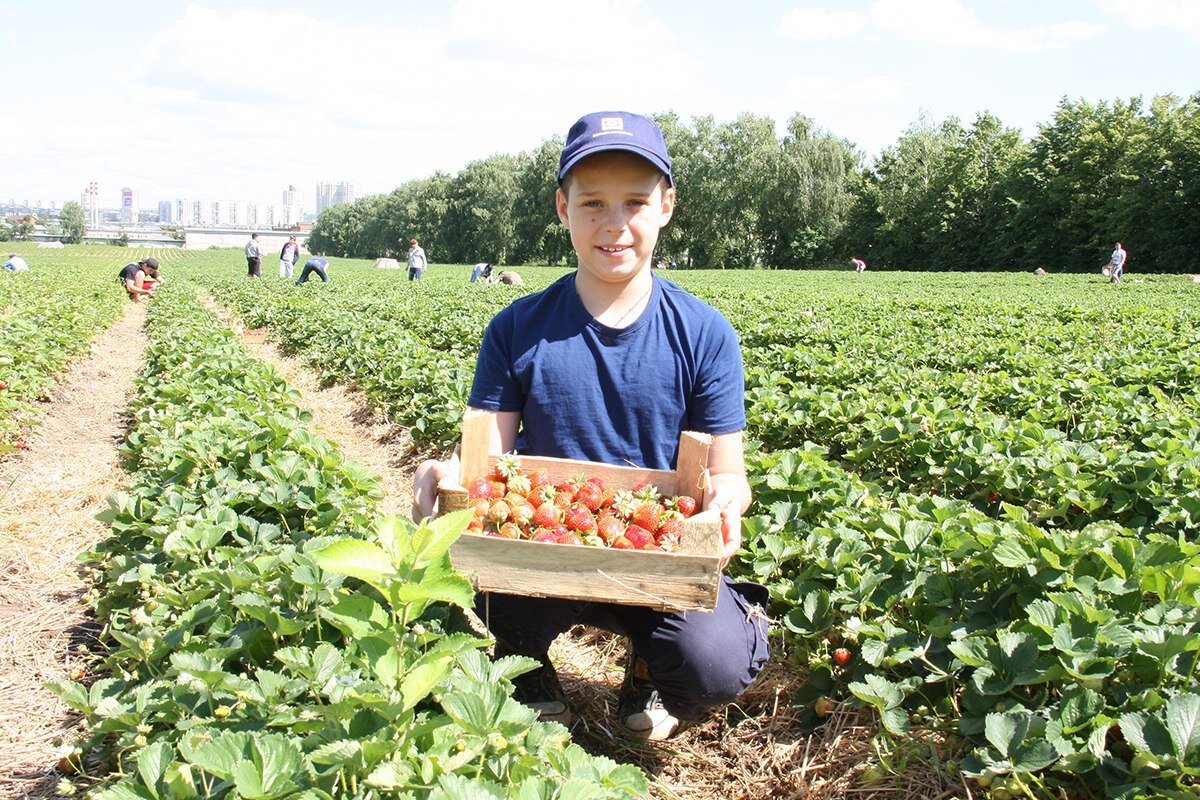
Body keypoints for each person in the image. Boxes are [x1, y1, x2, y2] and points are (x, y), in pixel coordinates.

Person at [413, 110, 769, 742]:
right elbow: (488, 465)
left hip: (657, 553)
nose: (614, 224)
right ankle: (527, 674)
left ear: (666, 205)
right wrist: (449, 475)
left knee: (715, 663)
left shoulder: (705, 334)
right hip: (541, 554)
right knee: (461, 594)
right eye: (592, 202)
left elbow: (728, 470)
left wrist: (726, 499)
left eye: (634, 201)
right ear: (562, 207)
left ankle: (649, 671)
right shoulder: (519, 329)